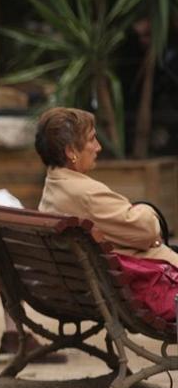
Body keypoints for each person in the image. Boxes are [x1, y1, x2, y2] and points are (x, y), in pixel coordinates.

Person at [35, 106, 178, 321]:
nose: (98, 147)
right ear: (71, 151)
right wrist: (145, 209)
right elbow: (147, 230)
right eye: (92, 139)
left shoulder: (54, 185)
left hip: (90, 288)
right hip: (144, 289)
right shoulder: (87, 194)